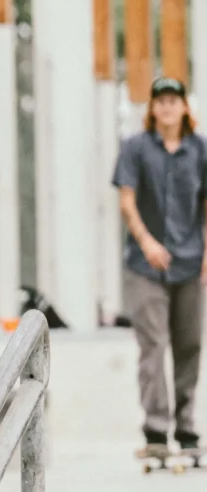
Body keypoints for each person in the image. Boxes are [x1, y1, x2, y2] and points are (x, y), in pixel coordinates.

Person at [112, 76, 206, 451]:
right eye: (160, 101)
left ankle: (185, 424)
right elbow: (126, 200)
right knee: (153, 344)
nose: (167, 107)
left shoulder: (200, 150)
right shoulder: (135, 147)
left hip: (190, 262)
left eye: (174, 100)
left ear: (185, 106)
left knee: (189, 345)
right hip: (145, 265)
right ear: (152, 108)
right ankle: (155, 427)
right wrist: (148, 242)